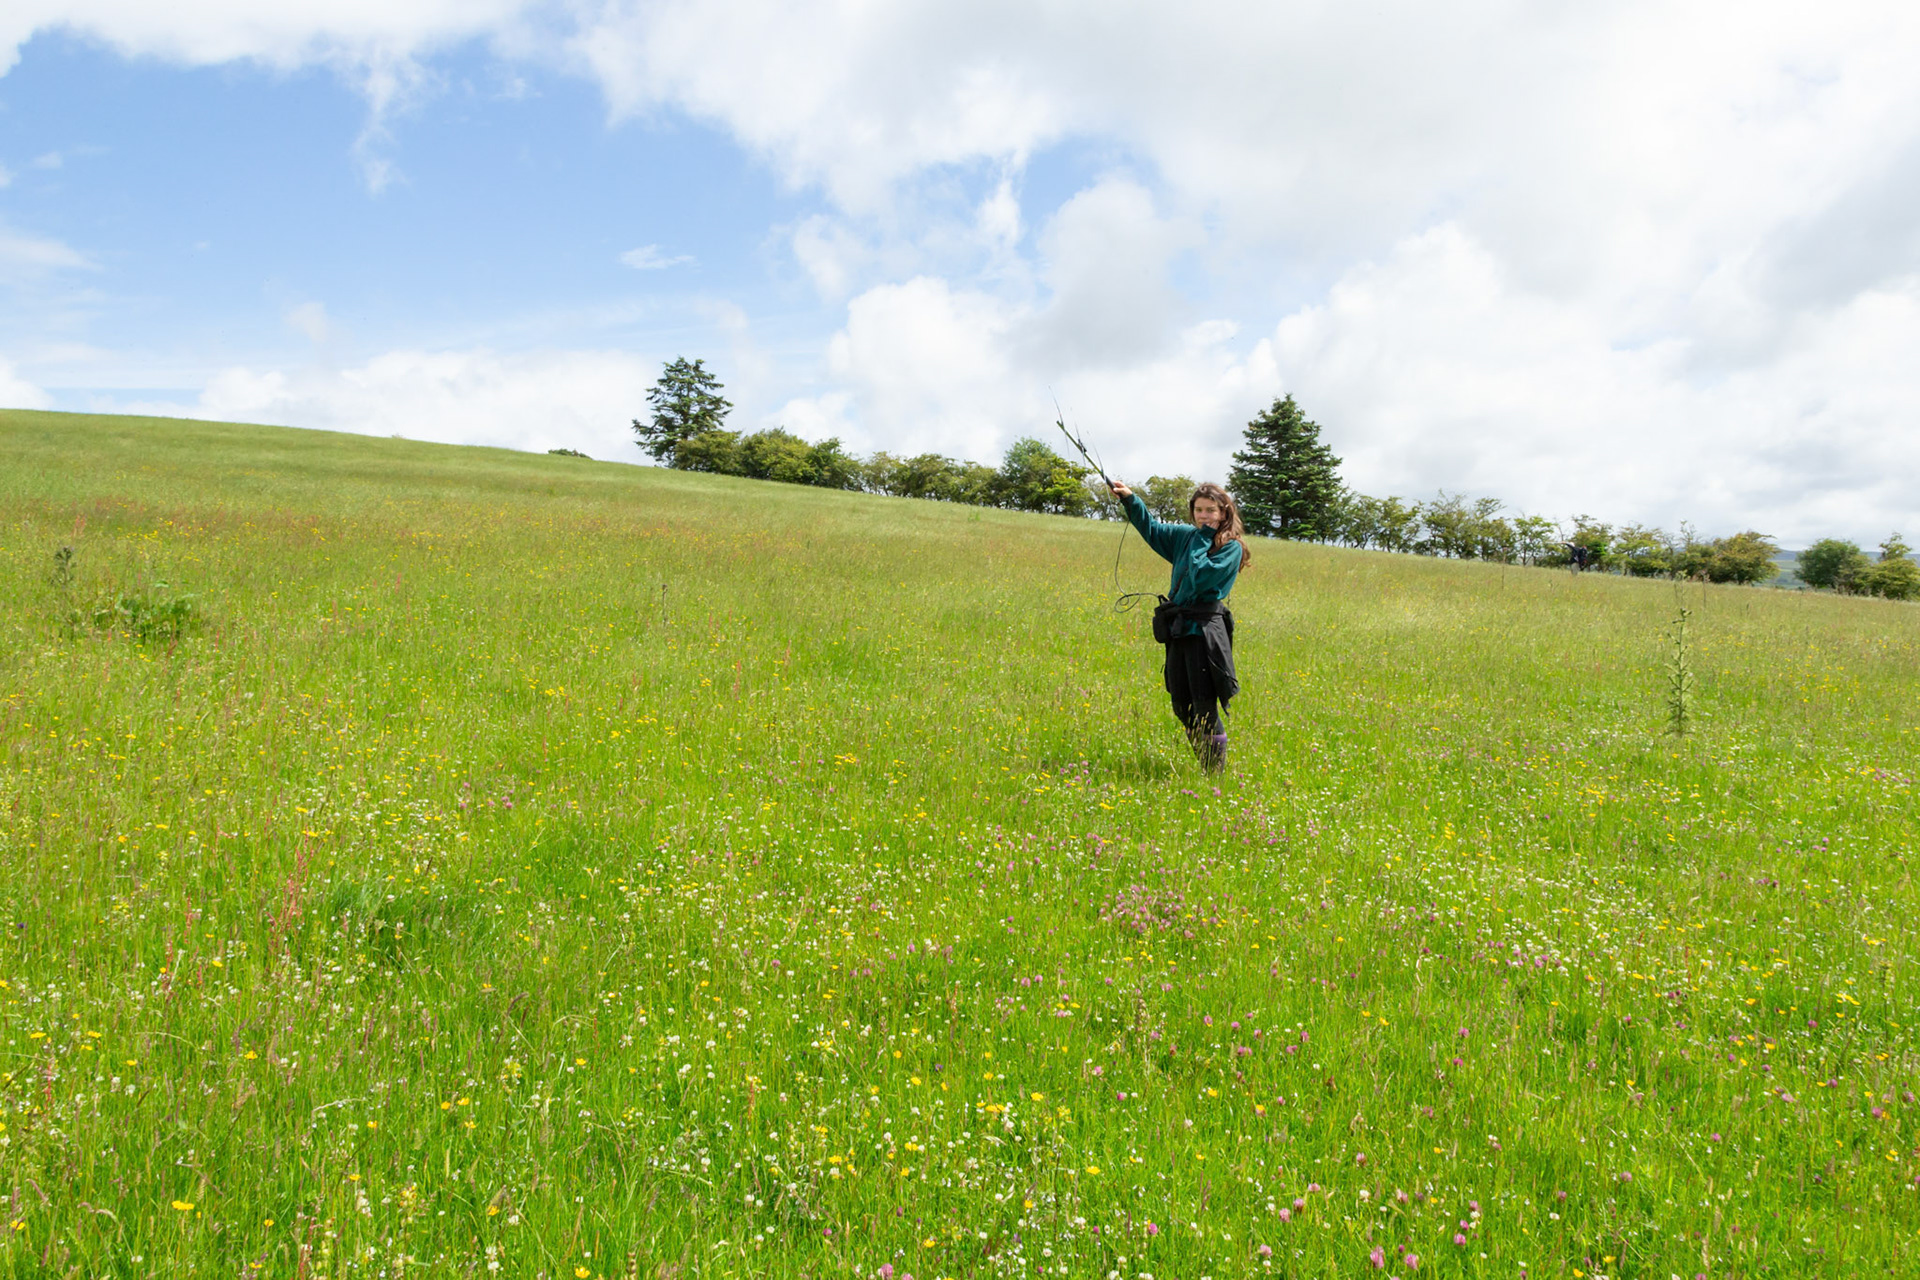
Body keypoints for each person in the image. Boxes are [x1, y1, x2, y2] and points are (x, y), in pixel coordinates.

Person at [1108, 479, 1249, 772]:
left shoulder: (1230, 548)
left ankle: (1215, 776)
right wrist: (1131, 500)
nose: (1203, 516)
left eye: (1211, 510)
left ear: (1224, 512)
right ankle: (1205, 766)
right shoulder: (1187, 536)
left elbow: (1201, 576)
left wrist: (1202, 538)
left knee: (1204, 705)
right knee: (1182, 705)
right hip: (1179, 628)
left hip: (1204, 633)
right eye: (1198, 510)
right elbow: (1153, 530)